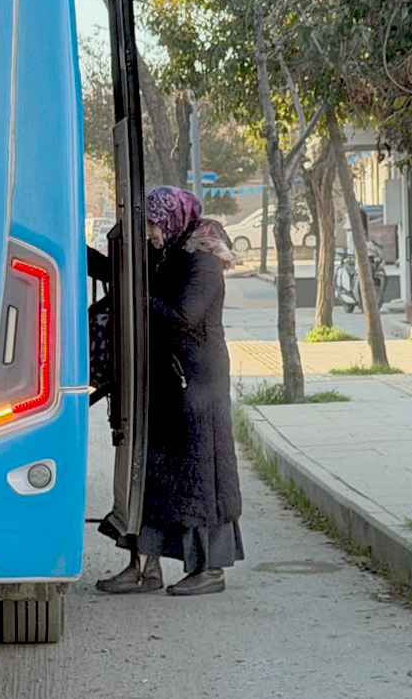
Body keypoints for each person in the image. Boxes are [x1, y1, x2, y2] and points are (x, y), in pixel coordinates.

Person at [89, 186, 244, 597]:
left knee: (201, 479)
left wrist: (135, 295)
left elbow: (182, 318)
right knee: (154, 474)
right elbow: (124, 277)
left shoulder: (203, 262)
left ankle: (210, 569)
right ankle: (144, 567)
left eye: (155, 225)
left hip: (199, 385)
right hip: (167, 380)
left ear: (173, 220)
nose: (152, 233)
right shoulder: (169, 254)